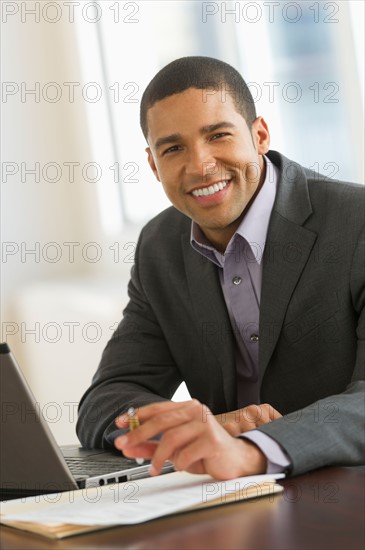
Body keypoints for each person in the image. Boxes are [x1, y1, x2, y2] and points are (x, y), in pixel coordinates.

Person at [77, 56, 365, 479]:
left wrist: (252, 450)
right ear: (154, 164)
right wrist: (184, 429)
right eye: (173, 148)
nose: (200, 165)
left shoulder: (355, 223)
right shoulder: (159, 247)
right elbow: (106, 398)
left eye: (218, 135)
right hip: (227, 505)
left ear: (259, 135)